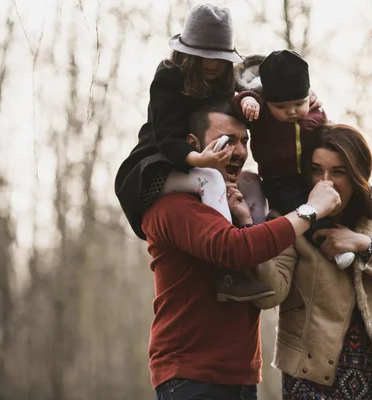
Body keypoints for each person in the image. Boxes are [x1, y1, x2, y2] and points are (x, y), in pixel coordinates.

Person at [135, 101, 341, 399]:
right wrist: (310, 211)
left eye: (245, 140)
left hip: (242, 376)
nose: (241, 151)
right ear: (193, 145)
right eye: (228, 140)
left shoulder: (241, 200)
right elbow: (235, 249)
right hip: (191, 376)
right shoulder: (174, 205)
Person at [254, 124, 372, 399]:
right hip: (308, 379)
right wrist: (256, 230)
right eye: (316, 170)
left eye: (338, 172)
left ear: (358, 175)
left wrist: (365, 246)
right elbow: (268, 295)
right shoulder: (289, 221)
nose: (326, 182)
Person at [114, 4, 273, 302]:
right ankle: (228, 271)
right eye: (205, 58)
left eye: (219, 59)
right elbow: (166, 137)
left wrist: (301, 97)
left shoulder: (224, 80)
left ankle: (254, 255)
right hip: (157, 167)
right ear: (188, 54)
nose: (212, 65)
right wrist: (200, 160)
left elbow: (256, 84)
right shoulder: (168, 78)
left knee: (248, 182)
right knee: (210, 181)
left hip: (198, 159)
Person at [234, 50, 372, 271]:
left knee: (339, 185)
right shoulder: (263, 115)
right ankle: (331, 245)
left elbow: (333, 145)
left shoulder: (314, 112)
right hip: (280, 180)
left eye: (298, 103)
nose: (291, 112)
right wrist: (248, 100)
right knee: (310, 210)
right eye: (281, 108)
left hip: (307, 173)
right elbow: (238, 104)